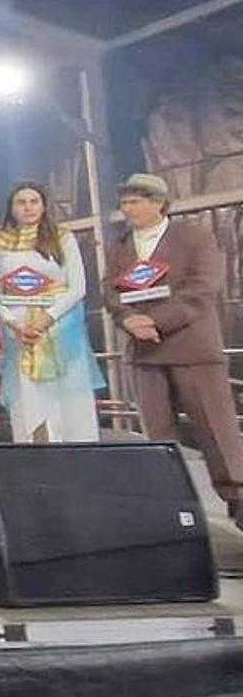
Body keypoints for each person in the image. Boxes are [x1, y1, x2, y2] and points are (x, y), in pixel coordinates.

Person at [103, 173, 243, 527]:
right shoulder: (120, 245)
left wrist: (157, 322)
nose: (128, 208)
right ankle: (176, 510)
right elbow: (110, 290)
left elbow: (203, 286)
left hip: (192, 349)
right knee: (158, 436)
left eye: (135, 201)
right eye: (124, 202)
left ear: (158, 202)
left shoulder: (193, 236)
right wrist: (128, 319)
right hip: (145, 356)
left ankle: (238, 499)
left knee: (216, 430)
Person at [0, 181, 101, 443]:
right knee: (28, 395)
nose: (28, 208)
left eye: (33, 201)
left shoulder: (62, 237)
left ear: (43, 205)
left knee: (69, 394)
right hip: (20, 331)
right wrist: (14, 322)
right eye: (21, 202)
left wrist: (47, 317)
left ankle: (78, 452)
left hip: (60, 326)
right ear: (11, 208)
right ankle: (34, 452)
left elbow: (78, 286)